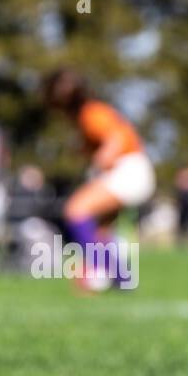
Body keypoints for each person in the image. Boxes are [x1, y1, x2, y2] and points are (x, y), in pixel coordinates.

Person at [42, 68, 154, 289]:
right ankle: (123, 281)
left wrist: (100, 163)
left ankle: (99, 270)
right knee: (100, 232)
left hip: (128, 170)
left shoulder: (91, 113)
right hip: (132, 170)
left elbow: (117, 137)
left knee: (75, 210)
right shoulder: (87, 115)